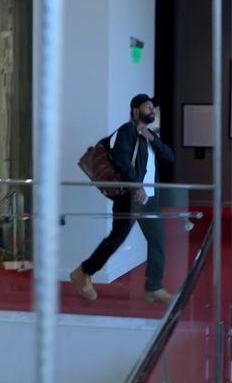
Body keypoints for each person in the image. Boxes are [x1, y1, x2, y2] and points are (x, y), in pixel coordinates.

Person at [70, 94, 176, 304]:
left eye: (152, 107)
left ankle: (153, 287)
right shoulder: (127, 131)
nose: (151, 110)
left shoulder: (148, 135)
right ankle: (83, 272)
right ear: (136, 110)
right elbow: (121, 160)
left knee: (157, 241)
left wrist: (151, 137)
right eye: (147, 107)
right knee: (117, 238)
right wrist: (136, 186)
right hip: (130, 197)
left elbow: (169, 156)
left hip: (150, 198)